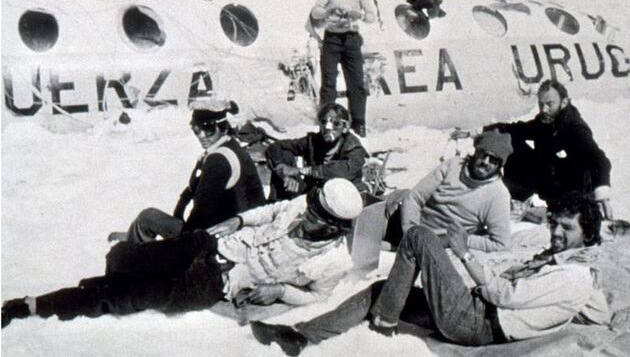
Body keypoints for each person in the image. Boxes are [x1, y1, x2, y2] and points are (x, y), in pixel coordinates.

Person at [251, 191, 609, 353]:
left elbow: (506, 296)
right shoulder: (565, 264)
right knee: (385, 289)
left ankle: (385, 325)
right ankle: (300, 337)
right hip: (477, 311)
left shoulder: (574, 275)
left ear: (587, 235)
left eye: (567, 228)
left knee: (419, 237)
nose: (557, 233)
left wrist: (465, 253)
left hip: (479, 323)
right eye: (556, 225)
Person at [1, 179, 364, 328]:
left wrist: (280, 291)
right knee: (121, 259)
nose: (304, 218)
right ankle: (102, 284)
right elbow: (269, 212)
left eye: (314, 219)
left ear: (334, 228)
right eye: (308, 209)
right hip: (208, 245)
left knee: (128, 296)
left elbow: (318, 295)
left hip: (216, 283)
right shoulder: (305, 204)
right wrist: (237, 220)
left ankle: (31, 305)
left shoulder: (334, 261)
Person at [113, 99, 266, 244]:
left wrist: (182, 243)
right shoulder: (230, 146)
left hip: (222, 238)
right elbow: (195, 187)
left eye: (209, 128)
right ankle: (134, 238)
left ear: (223, 127)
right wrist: (180, 208)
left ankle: (133, 248)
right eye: (196, 129)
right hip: (243, 229)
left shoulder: (218, 160)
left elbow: (201, 211)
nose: (202, 135)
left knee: (147, 217)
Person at [483, 80, 613, 215]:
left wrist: (603, 198)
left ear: (564, 103)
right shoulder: (546, 119)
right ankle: (518, 200)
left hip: (571, 190)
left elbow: (600, 160)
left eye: (549, 104)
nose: (544, 109)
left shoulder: (575, 128)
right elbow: (518, 129)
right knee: (513, 139)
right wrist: (479, 131)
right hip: (549, 179)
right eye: (541, 104)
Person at [383, 130, 513, 251]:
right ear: (475, 152)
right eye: (482, 154)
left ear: (500, 165)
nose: (485, 161)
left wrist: (457, 240)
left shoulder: (498, 195)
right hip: (407, 226)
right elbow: (415, 197)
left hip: (435, 244)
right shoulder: (454, 165)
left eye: (493, 160)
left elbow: (501, 243)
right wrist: (410, 232)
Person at [311, 0, 377, 138]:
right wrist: (327, 12)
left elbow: (372, 16)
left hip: (351, 39)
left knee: (356, 83)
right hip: (331, 38)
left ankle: (359, 123)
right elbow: (315, 11)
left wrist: (360, 15)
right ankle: (326, 122)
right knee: (328, 83)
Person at [265, 102, 369, 200]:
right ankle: (276, 206)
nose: (328, 127)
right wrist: (284, 173)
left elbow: (342, 171)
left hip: (339, 197)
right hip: (314, 193)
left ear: (345, 128)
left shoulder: (354, 148)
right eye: (324, 122)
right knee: (285, 154)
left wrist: (299, 171)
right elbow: (276, 146)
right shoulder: (314, 141)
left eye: (336, 124)